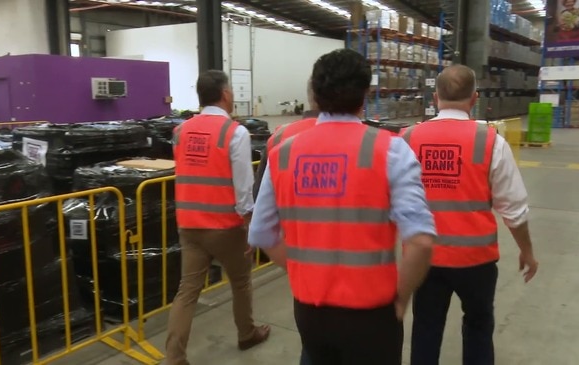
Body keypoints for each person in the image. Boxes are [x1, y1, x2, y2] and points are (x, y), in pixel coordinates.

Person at [248, 48, 436, 365]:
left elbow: (262, 233)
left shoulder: (283, 152)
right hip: (372, 314)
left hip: (310, 311)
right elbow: (420, 240)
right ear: (365, 96)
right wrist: (401, 298)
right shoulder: (390, 149)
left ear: (315, 97)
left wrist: (302, 271)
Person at [399, 64, 539, 365]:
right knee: (477, 327)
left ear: (435, 97)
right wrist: (527, 251)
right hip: (476, 260)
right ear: (474, 98)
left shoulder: (407, 140)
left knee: (425, 327)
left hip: (424, 258)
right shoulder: (491, 143)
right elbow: (513, 209)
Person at [166, 70, 270, 365]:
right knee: (240, 282)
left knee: (187, 291)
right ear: (225, 94)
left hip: (189, 224)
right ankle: (247, 333)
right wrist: (250, 226)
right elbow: (243, 189)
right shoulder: (233, 133)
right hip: (225, 226)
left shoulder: (180, 132)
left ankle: (174, 357)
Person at [252, 80, 319, 365]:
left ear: (310, 97)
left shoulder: (280, 137)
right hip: (354, 264)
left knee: (315, 344)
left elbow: (260, 200)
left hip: (296, 247)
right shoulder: (368, 139)